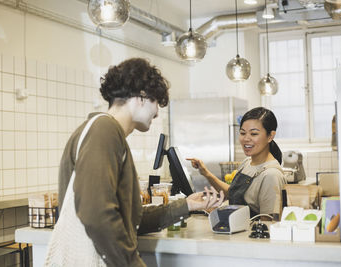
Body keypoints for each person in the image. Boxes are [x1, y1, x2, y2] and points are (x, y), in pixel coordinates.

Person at [45, 58, 224, 267]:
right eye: (156, 102)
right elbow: (97, 213)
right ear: (141, 96)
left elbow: (131, 220)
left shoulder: (107, 133)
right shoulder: (104, 130)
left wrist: (188, 204)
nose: (157, 112)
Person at [188, 107, 286, 220]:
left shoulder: (271, 175)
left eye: (254, 134)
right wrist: (206, 173)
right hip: (235, 232)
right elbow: (231, 194)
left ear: (270, 136)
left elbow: (269, 222)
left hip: (247, 237)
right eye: (242, 133)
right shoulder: (247, 162)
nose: (246, 139)